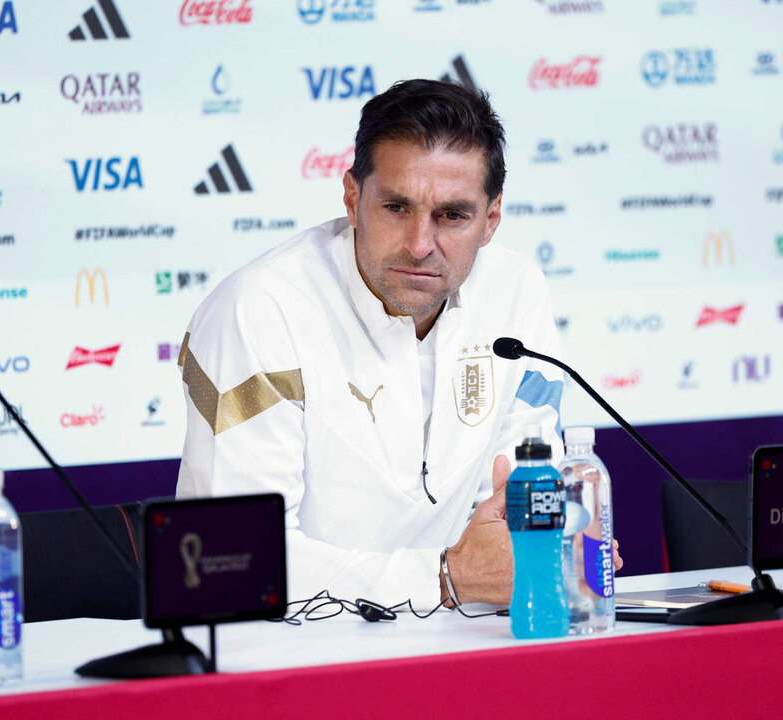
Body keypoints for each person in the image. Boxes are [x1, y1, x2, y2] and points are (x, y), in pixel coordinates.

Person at [176, 78, 620, 610]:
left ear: (490, 219)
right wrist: (445, 578)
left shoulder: (516, 290)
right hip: (293, 657)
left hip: (462, 640)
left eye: (453, 216)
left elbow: (513, 505)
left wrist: (544, 548)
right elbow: (231, 564)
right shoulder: (258, 309)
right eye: (396, 207)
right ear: (352, 197)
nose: (420, 245)